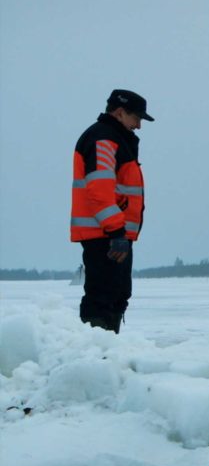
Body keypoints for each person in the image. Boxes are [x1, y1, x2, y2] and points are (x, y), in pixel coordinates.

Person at [70, 89, 154, 333]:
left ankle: (107, 350)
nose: (139, 125)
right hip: (104, 234)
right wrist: (116, 231)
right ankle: (96, 356)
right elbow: (99, 189)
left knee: (118, 293)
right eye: (136, 118)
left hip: (115, 234)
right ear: (119, 113)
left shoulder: (116, 139)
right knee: (102, 295)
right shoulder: (103, 140)